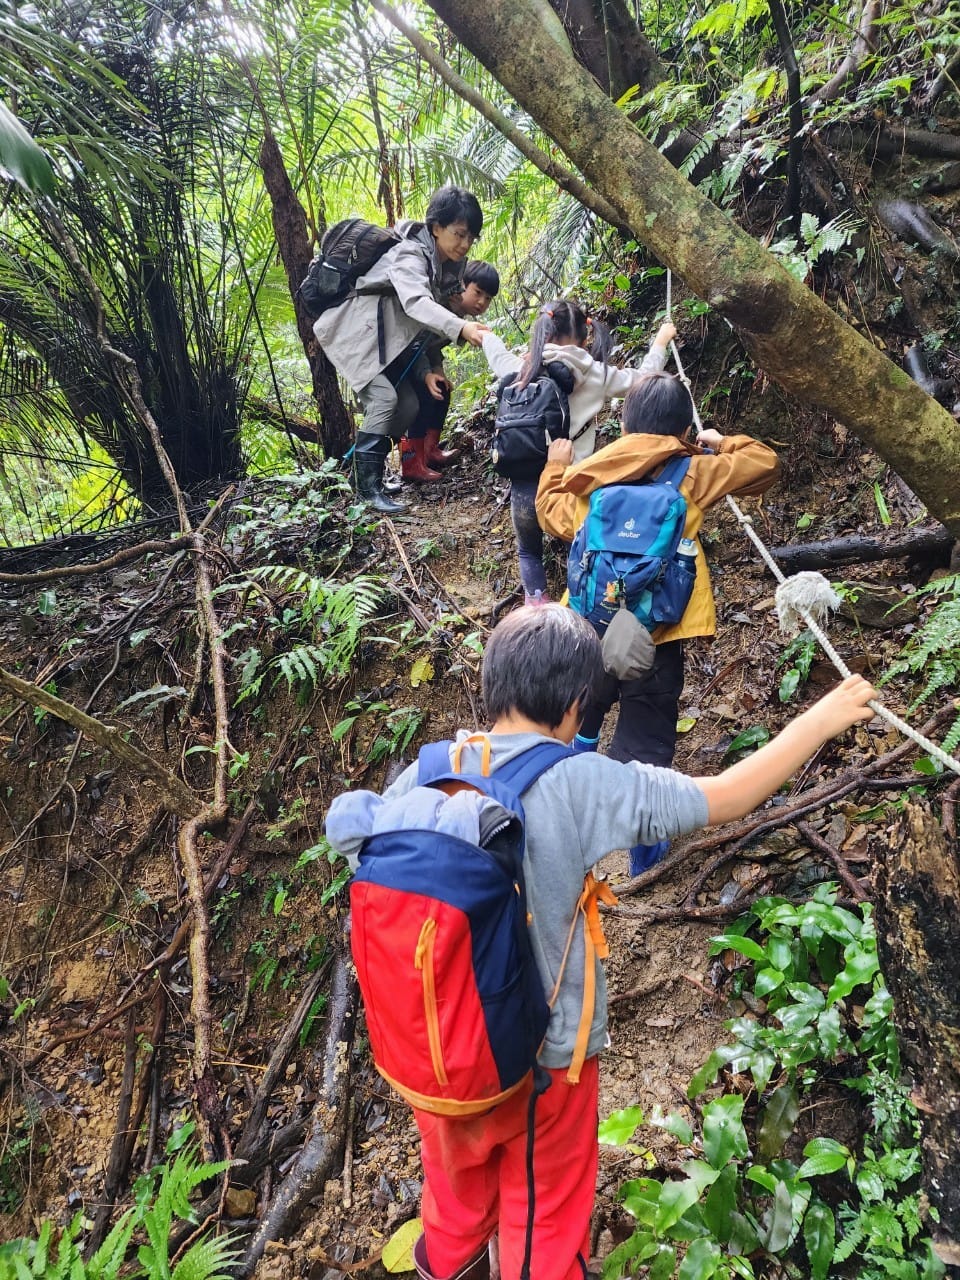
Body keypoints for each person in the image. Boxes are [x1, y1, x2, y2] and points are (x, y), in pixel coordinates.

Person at [326, 604, 877, 1279]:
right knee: (545, 1214)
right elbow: (726, 796)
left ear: (492, 684)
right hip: (545, 1066)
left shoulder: (425, 773)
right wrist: (822, 718)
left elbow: (359, 847)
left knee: (454, 1200)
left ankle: (446, 1267)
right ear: (576, 706)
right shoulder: (578, 780)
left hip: (438, 1056)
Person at [536, 370, 780, 872]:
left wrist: (555, 466)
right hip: (659, 632)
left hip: (589, 623)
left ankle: (579, 772)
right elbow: (765, 462)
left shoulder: (592, 476)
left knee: (585, 705)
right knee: (646, 737)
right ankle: (643, 858)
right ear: (683, 429)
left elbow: (550, 514)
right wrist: (718, 441)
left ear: (625, 423)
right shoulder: (693, 473)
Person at [480, 302, 676, 605]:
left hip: (525, 481)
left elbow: (497, 356)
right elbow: (644, 378)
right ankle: (582, 604)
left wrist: (487, 336)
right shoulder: (596, 373)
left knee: (529, 551)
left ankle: (537, 607)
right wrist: (661, 341)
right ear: (586, 337)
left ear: (544, 333)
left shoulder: (522, 368)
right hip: (574, 482)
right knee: (581, 544)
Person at [313, 187, 489, 515]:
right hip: (354, 334)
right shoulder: (410, 254)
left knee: (407, 406)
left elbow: (424, 327)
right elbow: (416, 303)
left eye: (471, 237)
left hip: (381, 342)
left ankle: (368, 476)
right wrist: (461, 327)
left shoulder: (442, 265)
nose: (465, 244)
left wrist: (432, 365)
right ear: (436, 227)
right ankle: (366, 491)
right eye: (459, 234)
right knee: (384, 399)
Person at [400, 261, 501, 483]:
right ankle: (411, 463)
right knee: (422, 400)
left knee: (442, 390)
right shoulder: (441, 307)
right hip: (403, 363)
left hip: (420, 362)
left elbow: (432, 347)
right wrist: (426, 374)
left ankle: (430, 451)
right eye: (477, 292)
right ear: (462, 285)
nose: (482, 302)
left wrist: (437, 370)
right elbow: (414, 343)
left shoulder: (457, 314)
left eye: (488, 298)